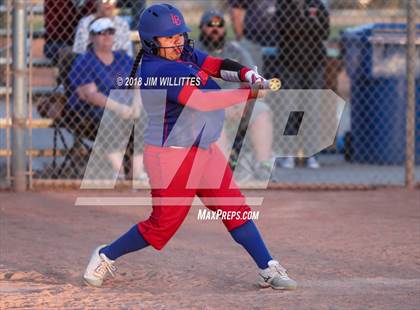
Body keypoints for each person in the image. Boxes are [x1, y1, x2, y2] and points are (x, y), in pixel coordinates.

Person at [83, 4, 297, 291]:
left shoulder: (180, 53)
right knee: (162, 226)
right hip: (170, 158)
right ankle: (105, 254)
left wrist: (248, 75)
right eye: (169, 38)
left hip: (204, 150)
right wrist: (247, 93)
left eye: (179, 35)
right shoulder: (156, 69)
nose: (177, 42)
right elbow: (201, 101)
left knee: (234, 209)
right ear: (149, 41)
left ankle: (267, 266)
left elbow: (218, 66)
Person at [195, 9, 276, 181]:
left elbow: (255, 81)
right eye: (210, 25)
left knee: (262, 110)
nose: (215, 29)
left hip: (238, 105)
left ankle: (264, 167)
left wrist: (246, 101)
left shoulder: (236, 51)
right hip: (206, 109)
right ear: (202, 28)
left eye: (220, 25)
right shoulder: (194, 54)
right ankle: (223, 175)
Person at [67, 17, 142, 180]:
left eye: (110, 31)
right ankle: (119, 171)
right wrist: (119, 108)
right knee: (109, 118)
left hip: (126, 107)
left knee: (145, 117)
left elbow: (138, 84)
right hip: (92, 111)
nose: (107, 36)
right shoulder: (84, 61)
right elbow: (89, 94)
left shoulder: (123, 58)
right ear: (91, 37)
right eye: (101, 33)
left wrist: (136, 105)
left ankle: (136, 173)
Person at [276, 0, 330, 169]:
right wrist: (311, 24)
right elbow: (285, 29)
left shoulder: (316, 4)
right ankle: (289, 154)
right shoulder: (284, 5)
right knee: (289, 109)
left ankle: (311, 154)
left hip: (314, 64)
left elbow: (325, 32)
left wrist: (301, 26)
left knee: (312, 110)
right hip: (289, 64)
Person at [228, 0, 278, 77]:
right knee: (255, 75)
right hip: (253, 38)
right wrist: (241, 38)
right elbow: (237, 11)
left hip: (279, 38)